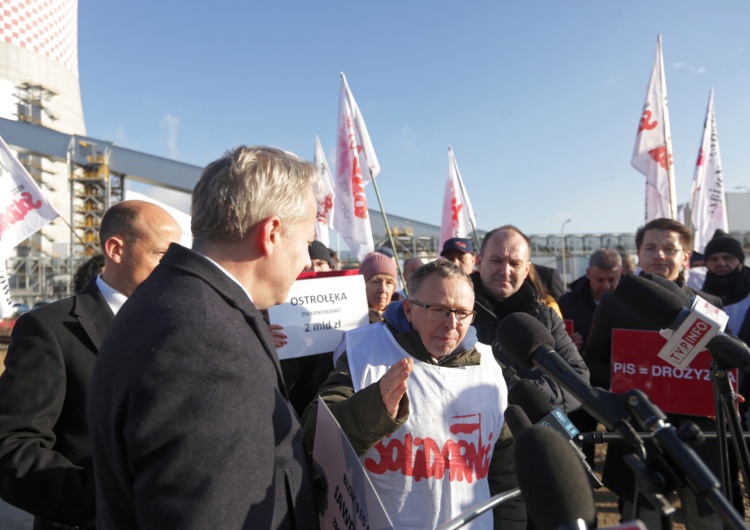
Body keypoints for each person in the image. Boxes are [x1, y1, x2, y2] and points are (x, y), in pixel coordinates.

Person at [88, 146, 319, 529]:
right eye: (307, 241)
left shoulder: (172, 298)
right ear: (272, 233)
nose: (308, 260)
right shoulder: (209, 342)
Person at [302, 260, 526, 529]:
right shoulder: (366, 351)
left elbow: (504, 465)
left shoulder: (488, 365)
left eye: (462, 313)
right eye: (439, 310)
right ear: (409, 308)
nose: (451, 324)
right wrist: (375, 409)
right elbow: (314, 434)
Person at [0, 200, 181, 530]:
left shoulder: (182, 326)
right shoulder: (50, 328)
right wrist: (111, 503)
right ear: (116, 249)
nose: (172, 269)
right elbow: (11, 447)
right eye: (161, 255)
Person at [585, 218, 724, 530]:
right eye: (650, 248)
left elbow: (724, 367)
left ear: (685, 256)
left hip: (698, 437)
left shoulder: (710, 307)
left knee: (707, 520)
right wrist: (623, 384)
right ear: (638, 254)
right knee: (644, 520)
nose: (659, 255)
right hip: (639, 433)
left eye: (669, 248)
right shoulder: (614, 303)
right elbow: (592, 360)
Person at [472, 225, 589, 412]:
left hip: (531, 435)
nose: (505, 270)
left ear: (527, 270)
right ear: (478, 261)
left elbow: (578, 382)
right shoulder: (453, 316)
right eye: (496, 260)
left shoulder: (546, 317)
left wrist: (526, 393)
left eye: (515, 264)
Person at [559, 249, 622, 351]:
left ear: (620, 273)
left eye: (611, 280)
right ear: (588, 273)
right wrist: (566, 344)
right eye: (600, 280)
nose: (606, 286)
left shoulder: (632, 303)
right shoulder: (567, 304)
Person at [360, 250, 401, 323]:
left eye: (388, 282)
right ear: (363, 285)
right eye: (376, 282)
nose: (383, 289)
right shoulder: (352, 319)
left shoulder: (407, 315)